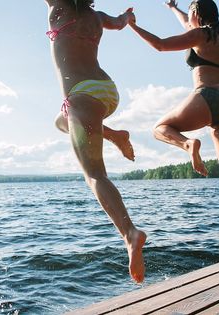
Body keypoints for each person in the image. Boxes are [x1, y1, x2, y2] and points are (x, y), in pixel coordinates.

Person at [128, 0, 219, 268]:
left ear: (197, 13)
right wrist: (172, 7)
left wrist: (133, 27)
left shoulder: (200, 32)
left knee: (160, 128)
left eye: (190, 12)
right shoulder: (218, 36)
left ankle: (188, 144)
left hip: (205, 96)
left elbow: (160, 44)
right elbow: (186, 22)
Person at [44, 0, 146, 283]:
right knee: (59, 120)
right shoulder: (97, 16)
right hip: (106, 90)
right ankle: (114, 134)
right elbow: (120, 22)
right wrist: (128, 16)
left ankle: (130, 234)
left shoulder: (58, 10)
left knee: (95, 175)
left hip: (82, 95)